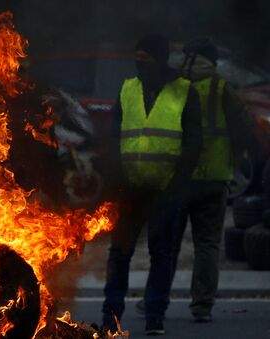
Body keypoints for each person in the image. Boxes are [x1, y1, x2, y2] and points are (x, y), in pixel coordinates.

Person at [101, 34, 202, 335]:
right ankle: (111, 317)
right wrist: (115, 180)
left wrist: (177, 185)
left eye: (146, 60)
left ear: (160, 60)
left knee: (161, 254)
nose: (140, 66)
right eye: (137, 60)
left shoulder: (184, 91)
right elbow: (113, 136)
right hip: (130, 188)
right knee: (119, 254)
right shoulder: (128, 89)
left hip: (165, 189)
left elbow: (194, 142)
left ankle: (155, 315)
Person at [159, 37, 256, 322]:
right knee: (208, 244)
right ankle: (202, 306)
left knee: (168, 243)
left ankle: (157, 300)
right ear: (212, 63)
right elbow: (245, 131)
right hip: (214, 178)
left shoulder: (174, 89)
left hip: (178, 179)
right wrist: (235, 162)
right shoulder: (223, 89)